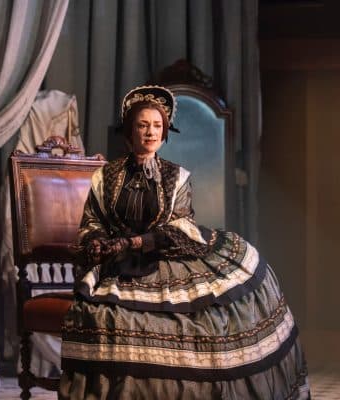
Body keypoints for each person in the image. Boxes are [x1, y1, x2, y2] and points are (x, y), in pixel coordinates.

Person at [59, 86, 310, 399]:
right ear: (129, 130)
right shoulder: (105, 176)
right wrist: (97, 241)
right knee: (105, 318)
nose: (150, 132)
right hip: (116, 264)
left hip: (164, 255)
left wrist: (133, 242)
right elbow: (93, 221)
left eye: (157, 126)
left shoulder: (176, 176)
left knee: (201, 320)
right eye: (142, 125)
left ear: (165, 132)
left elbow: (179, 229)